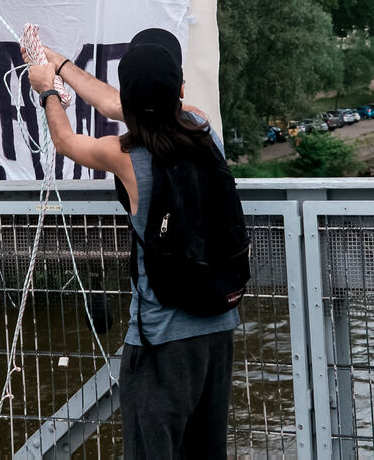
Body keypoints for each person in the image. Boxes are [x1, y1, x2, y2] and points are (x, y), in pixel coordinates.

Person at [30, 28, 238, 458]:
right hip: (218, 326)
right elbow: (113, 104)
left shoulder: (124, 156)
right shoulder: (203, 127)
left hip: (161, 340)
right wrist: (60, 63)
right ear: (181, 90)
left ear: (129, 99)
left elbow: (64, 141)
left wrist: (48, 89)